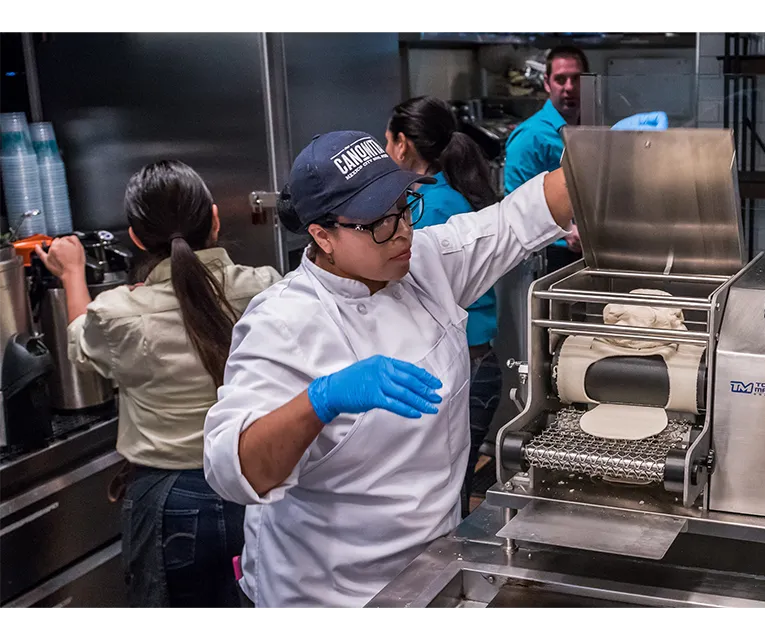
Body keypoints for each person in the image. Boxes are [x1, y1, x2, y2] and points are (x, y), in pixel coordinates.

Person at [202, 130, 573, 607]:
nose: (402, 231)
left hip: (429, 566)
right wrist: (321, 400)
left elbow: (518, 218)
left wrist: (607, 157)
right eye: (378, 222)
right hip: (328, 594)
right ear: (322, 236)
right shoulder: (283, 323)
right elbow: (234, 469)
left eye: (403, 208)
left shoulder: (423, 263)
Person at [34, 160, 282, 607]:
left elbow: (80, 345)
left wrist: (72, 274)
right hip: (257, 484)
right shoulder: (264, 287)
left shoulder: (116, 314)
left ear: (134, 237)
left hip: (171, 498)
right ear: (214, 218)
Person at [384, 95, 501, 518]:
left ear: (401, 145)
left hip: (467, 368)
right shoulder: (441, 199)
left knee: (448, 500)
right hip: (475, 364)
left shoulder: (430, 209)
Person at [504, 45, 590, 274]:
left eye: (576, 79)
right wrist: (565, 233)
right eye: (560, 79)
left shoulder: (592, 128)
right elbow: (515, 208)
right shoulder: (530, 137)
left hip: (590, 252)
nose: (569, 88)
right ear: (547, 83)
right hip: (549, 259)